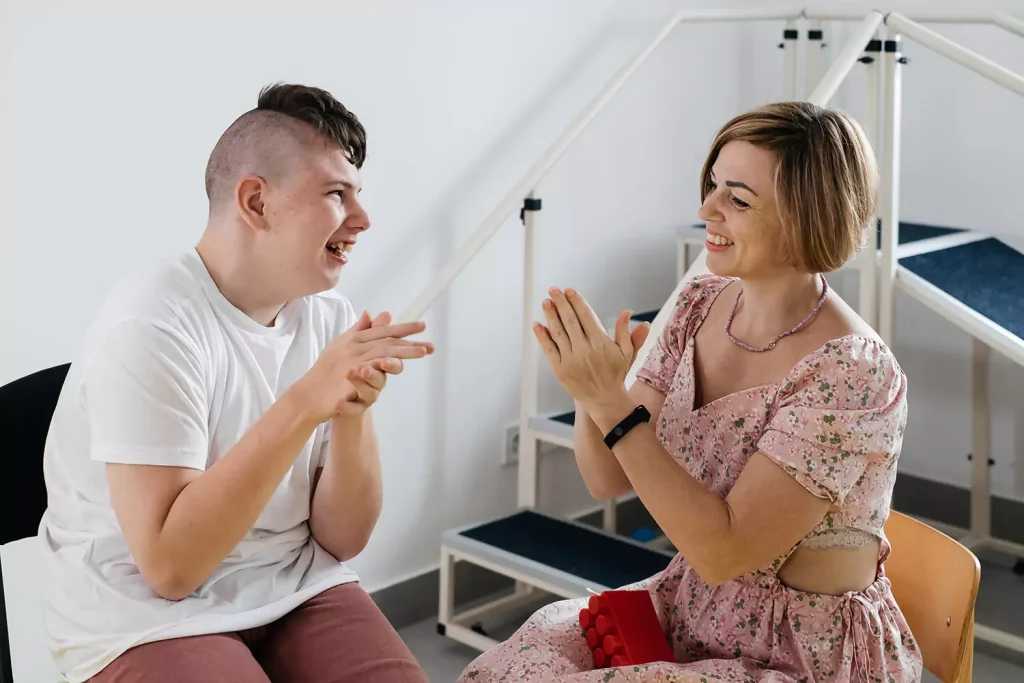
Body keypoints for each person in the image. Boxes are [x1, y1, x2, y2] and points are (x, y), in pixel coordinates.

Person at [458, 101, 924, 682]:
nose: (707, 209)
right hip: (695, 608)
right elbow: (607, 478)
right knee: (509, 667)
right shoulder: (700, 302)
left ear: (809, 217)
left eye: (738, 198)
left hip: (803, 658)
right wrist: (590, 388)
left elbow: (725, 553)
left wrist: (611, 402)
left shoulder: (852, 372)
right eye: (711, 187)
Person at [40, 83, 434, 683]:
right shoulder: (152, 323)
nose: (363, 219)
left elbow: (343, 539)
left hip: (292, 583)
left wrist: (351, 412)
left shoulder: (325, 317)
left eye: (358, 194)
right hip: (143, 613)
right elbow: (171, 569)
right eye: (336, 193)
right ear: (256, 202)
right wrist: (306, 401)